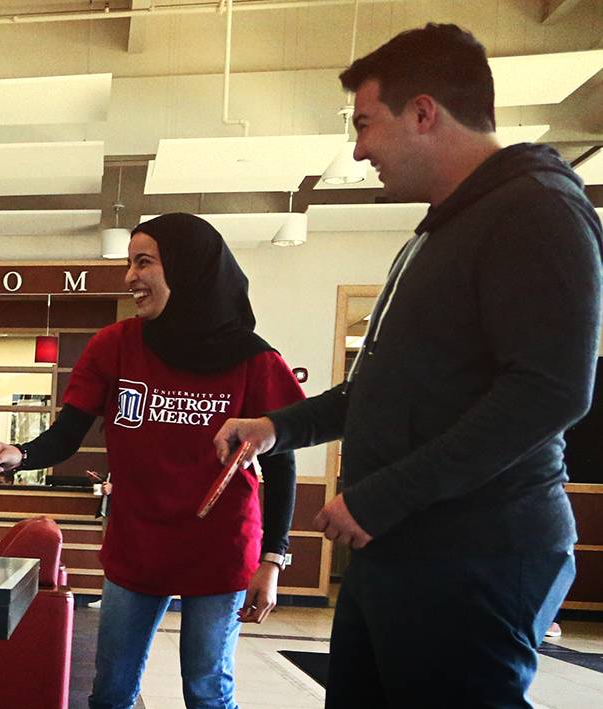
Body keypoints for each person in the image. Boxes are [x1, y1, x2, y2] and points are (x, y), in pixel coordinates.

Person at [215, 24, 600, 707]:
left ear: (425, 113)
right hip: (403, 549)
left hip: (474, 554)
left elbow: (551, 391)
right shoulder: (438, 233)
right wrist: (275, 427)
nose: (359, 149)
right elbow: (379, 389)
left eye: (366, 124)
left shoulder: (536, 208)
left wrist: (385, 494)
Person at [0, 213, 305, 709]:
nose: (130, 276)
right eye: (129, 262)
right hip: (138, 546)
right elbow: (68, 434)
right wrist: (20, 454)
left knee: (207, 693)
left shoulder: (255, 360)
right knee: (111, 692)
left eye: (144, 262)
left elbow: (281, 464)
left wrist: (273, 559)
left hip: (220, 550)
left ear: (187, 269)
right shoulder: (114, 346)